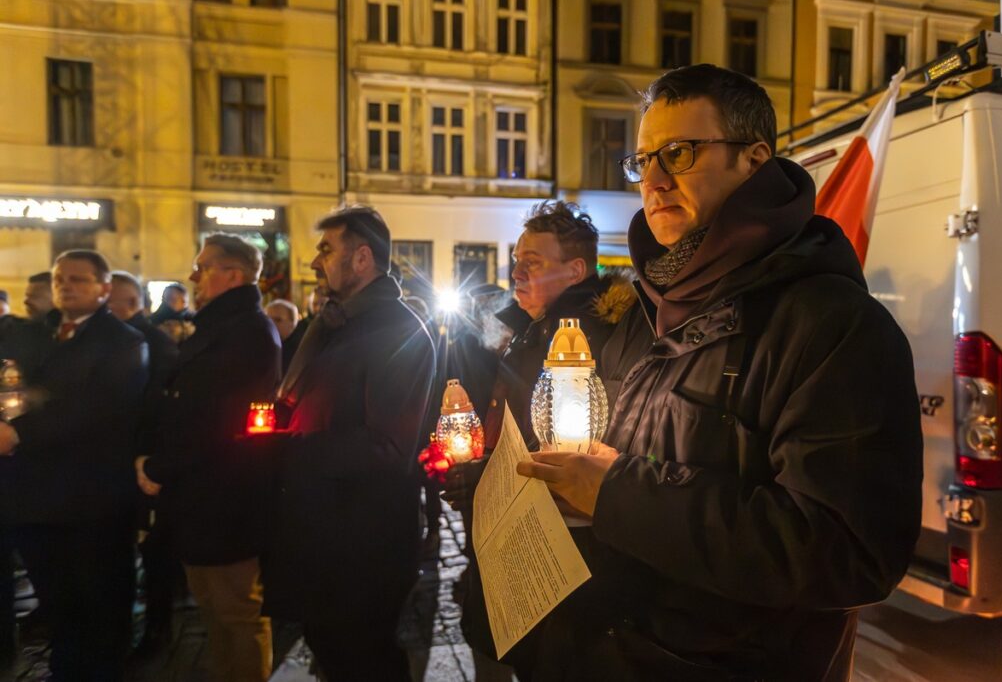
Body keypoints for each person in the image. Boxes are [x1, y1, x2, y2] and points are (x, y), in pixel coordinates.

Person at [516, 64, 923, 680]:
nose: (651, 181)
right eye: (643, 159)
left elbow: (846, 551)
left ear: (754, 159)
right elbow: (597, 456)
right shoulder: (636, 309)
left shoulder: (832, 325)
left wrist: (615, 493)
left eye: (677, 154)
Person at [445, 200, 637, 677]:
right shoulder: (525, 330)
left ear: (575, 270)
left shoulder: (587, 342)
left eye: (532, 262)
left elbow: (576, 461)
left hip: (561, 567)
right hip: (514, 551)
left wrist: (489, 482)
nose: (516, 271)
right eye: (516, 259)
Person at [262, 206, 435, 682]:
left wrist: (289, 448)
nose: (315, 262)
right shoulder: (337, 322)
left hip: (363, 549)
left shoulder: (397, 330)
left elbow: (388, 447)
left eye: (325, 250)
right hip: (323, 535)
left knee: (365, 661)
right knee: (334, 655)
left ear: (362, 259)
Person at [136, 235, 280, 682]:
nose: (194, 277)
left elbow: (217, 420)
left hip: (225, 499)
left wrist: (159, 468)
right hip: (202, 496)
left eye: (202, 268)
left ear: (231, 275)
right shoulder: (223, 326)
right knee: (214, 612)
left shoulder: (246, 332)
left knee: (237, 612)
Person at [0, 250, 148, 680]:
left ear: (104, 289)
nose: (66, 286)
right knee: (59, 605)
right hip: (38, 501)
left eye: (79, 280)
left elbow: (93, 409)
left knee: (99, 609)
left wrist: (21, 430)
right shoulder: (38, 334)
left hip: (92, 502)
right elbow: (21, 387)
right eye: (61, 278)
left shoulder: (122, 341)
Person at [109, 272, 183, 658]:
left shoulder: (153, 342)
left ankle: (157, 627)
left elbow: (161, 410)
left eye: (113, 301)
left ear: (135, 303)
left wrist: (151, 461)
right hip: (115, 462)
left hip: (142, 463)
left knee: (153, 552)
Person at [264, 299, 301, 374]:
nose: (271, 324)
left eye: (277, 320)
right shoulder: (262, 345)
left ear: (292, 323)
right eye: (267, 319)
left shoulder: (299, 350)